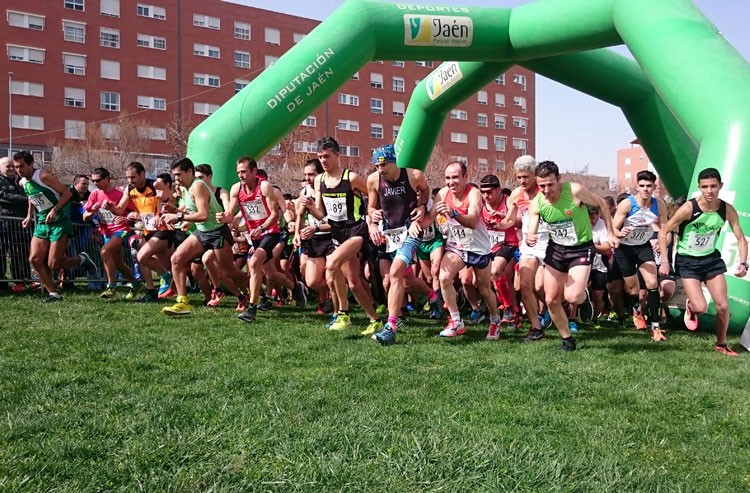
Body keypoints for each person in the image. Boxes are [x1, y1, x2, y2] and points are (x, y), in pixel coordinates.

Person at [525, 161, 619, 351]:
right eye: (541, 185)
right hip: (556, 250)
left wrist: (610, 232)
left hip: (580, 248)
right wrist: (530, 237)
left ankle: (582, 297)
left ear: (559, 179)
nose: (546, 190)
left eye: (550, 184)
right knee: (551, 299)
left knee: (572, 296)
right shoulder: (537, 203)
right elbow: (532, 230)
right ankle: (567, 340)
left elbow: (601, 203)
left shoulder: (575, 191)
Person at [658, 167, 747, 356]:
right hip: (688, 261)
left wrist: (743, 263)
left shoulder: (726, 209)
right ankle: (691, 308)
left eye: (713, 186)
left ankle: (721, 343)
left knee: (723, 306)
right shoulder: (689, 208)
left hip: (711, 259)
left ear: (720, 186)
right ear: (699, 187)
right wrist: (665, 261)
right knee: (701, 307)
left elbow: (740, 238)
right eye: (705, 187)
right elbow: (664, 230)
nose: (709, 191)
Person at [302, 137, 382, 333]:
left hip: (356, 230)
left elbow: (373, 196)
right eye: (320, 157)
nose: (323, 161)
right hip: (337, 233)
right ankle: (375, 319)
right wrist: (312, 207)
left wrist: (372, 218)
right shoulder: (320, 180)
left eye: (327, 156)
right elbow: (322, 214)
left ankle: (343, 313)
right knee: (354, 283)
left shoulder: (351, 178)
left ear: (337, 155)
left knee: (332, 263)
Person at [419, 161, 500, 338]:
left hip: (478, 247)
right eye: (447, 178)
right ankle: (456, 321)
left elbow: (472, 221)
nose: (451, 182)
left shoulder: (474, 193)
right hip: (457, 246)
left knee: (484, 288)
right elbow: (428, 220)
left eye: (455, 177)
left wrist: (453, 212)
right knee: (444, 277)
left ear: (465, 177)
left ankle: (495, 320)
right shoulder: (443, 193)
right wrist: (415, 219)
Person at [160, 157, 247, 316]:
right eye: (174, 175)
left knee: (229, 271)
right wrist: (175, 211)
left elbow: (204, 215)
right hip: (202, 232)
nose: (176, 179)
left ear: (190, 172)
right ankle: (182, 302)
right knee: (177, 259)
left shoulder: (198, 186)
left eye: (179, 175)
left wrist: (179, 218)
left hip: (217, 232)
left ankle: (255, 293)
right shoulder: (186, 189)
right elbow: (192, 212)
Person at [366, 144, 434, 345]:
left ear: (394, 161)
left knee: (396, 273)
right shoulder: (373, 180)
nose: (381, 170)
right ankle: (433, 297)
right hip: (388, 235)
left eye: (384, 165)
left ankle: (391, 326)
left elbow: (425, 191)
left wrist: (421, 205)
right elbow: (370, 207)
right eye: (377, 166)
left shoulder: (414, 175)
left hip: (411, 231)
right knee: (398, 280)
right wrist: (372, 217)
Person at [219, 157, 297, 322]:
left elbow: (275, 214)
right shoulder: (236, 189)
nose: (241, 175)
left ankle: (252, 309)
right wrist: (223, 217)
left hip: (271, 232)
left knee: (253, 264)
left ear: (254, 171)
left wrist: (263, 227)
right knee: (270, 273)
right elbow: (230, 213)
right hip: (254, 235)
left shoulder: (265, 187)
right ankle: (296, 288)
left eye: (244, 172)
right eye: (238, 172)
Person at [13, 151, 97, 302]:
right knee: (34, 259)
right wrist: (28, 216)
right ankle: (53, 293)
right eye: (16, 167)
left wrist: (55, 209)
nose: (19, 170)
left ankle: (81, 259)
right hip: (42, 222)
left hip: (59, 220)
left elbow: (66, 193)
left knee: (54, 263)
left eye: (21, 166)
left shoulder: (43, 176)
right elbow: (32, 198)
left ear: (31, 164)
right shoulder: (23, 181)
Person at [612, 170, 669, 342]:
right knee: (634, 290)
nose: (645, 189)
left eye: (649, 186)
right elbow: (612, 229)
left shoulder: (659, 204)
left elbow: (664, 230)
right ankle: (637, 308)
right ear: (637, 186)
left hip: (643, 246)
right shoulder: (627, 205)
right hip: (624, 249)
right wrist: (620, 232)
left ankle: (655, 326)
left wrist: (664, 253)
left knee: (652, 283)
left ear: (654, 187)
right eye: (642, 186)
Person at [108, 162, 174, 302]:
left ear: (143, 174)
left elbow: (172, 200)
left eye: (133, 177)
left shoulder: (155, 185)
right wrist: (110, 207)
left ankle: (166, 276)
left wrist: (161, 210)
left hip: (162, 228)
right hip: (147, 228)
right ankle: (151, 291)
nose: (130, 181)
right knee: (142, 259)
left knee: (142, 256)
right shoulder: (129, 189)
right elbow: (120, 209)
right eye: (127, 177)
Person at [500, 156, 549, 341]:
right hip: (529, 244)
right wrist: (498, 222)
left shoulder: (545, 191)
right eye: (519, 177)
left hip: (549, 242)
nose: (522, 181)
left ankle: (560, 307)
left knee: (542, 288)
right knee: (525, 285)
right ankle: (536, 327)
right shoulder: (516, 194)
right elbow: (509, 221)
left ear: (535, 175)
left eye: (526, 177)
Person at [82, 167, 143, 299]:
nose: (96, 184)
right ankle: (136, 283)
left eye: (98, 180)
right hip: (106, 232)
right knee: (118, 263)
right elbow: (85, 217)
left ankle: (111, 287)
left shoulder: (120, 194)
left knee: (104, 252)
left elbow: (136, 212)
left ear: (107, 179)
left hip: (121, 230)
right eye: (93, 181)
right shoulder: (95, 194)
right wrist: (92, 211)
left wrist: (127, 219)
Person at [479, 174, 521, 337]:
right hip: (488, 245)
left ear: (498, 190)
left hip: (508, 243)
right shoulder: (481, 204)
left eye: (489, 192)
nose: (486, 196)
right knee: (497, 279)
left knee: (497, 271)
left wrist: (503, 219)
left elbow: (519, 221)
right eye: (483, 192)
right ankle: (512, 312)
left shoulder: (508, 200)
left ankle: (509, 308)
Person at [294, 158, 334, 314]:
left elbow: (335, 221)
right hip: (313, 237)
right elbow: (300, 215)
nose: (307, 178)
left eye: (311, 174)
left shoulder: (330, 189)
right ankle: (337, 292)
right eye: (305, 175)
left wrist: (316, 226)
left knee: (331, 273)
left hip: (331, 236)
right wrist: (297, 233)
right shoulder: (305, 191)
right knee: (311, 281)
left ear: (321, 174)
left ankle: (337, 305)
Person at [0, 156, 31, 292]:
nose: (12, 169)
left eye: (13, 166)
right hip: (5, 221)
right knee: (2, 252)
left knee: (21, 252)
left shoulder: (20, 180)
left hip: (22, 222)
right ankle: (2, 282)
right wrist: (28, 200)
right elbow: (4, 195)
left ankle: (22, 280)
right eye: (8, 166)